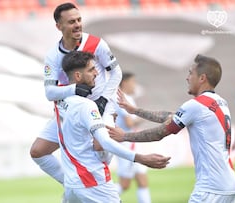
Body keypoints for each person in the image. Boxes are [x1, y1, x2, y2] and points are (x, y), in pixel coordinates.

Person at [107, 54, 235, 203]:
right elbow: (170, 116)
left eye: (190, 73)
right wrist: (136, 110)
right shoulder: (220, 102)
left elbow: (160, 132)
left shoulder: (196, 105)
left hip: (210, 187)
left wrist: (124, 136)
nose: (187, 78)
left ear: (202, 78)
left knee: (127, 183)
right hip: (229, 184)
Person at [57, 50, 170, 202]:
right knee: (126, 183)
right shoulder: (86, 105)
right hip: (94, 183)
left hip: (72, 184)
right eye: (91, 70)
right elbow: (102, 143)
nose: (96, 73)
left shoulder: (61, 101)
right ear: (78, 76)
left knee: (137, 182)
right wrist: (140, 158)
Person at [30, 2, 122, 185]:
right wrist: (74, 89)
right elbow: (49, 92)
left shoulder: (96, 44)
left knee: (100, 148)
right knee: (38, 151)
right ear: (59, 26)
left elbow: (116, 72)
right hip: (71, 111)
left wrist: (104, 100)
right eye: (71, 22)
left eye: (79, 20)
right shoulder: (53, 56)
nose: (78, 24)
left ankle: (98, 189)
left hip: (101, 106)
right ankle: (74, 184)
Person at [112, 72, 151, 203]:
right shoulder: (120, 99)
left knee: (142, 181)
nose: (135, 85)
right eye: (133, 81)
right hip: (126, 145)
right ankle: (95, 197)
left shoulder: (129, 98)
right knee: (125, 184)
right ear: (124, 83)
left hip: (134, 143)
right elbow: (129, 123)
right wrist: (143, 117)